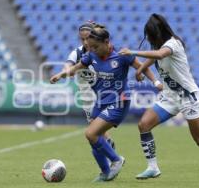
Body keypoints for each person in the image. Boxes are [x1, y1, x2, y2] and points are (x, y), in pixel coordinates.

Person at [119, 13, 199, 183]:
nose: (150, 39)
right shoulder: (161, 47)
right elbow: (155, 57)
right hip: (169, 96)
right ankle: (153, 167)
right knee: (144, 125)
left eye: (151, 35)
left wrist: (132, 52)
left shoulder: (173, 43)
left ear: (157, 33)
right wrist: (140, 69)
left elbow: (159, 55)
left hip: (188, 97)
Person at [50, 25, 163, 182]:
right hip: (100, 101)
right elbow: (76, 67)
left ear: (107, 42)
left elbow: (142, 67)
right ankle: (105, 173)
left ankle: (116, 160)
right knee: (94, 139)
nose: (93, 50)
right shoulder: (91, 55)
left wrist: (156, 82)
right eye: (91, 47)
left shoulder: (122, 55)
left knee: (91, 133)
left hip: (119, 101)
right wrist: (61, 74)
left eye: (96, 47)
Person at [51, 21, 115, 148]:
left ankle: (111, 154)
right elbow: (68, 65)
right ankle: (109, 145)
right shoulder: (77, 53)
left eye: (88, 38)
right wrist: (64, 72)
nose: (85, 42)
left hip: (102, 92)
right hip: (87, 96)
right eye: (82, 39)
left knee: (94, 129)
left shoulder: (100, 51)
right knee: (95, 127)